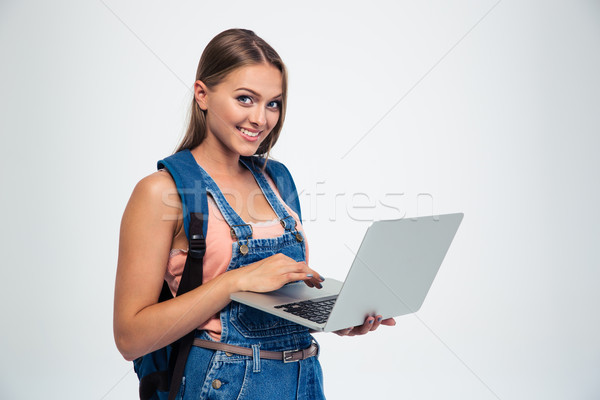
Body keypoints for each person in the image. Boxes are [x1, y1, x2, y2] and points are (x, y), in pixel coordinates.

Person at [114, 28, 395, 399]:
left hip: (304, 379)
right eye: (245, 99)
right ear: (203, 95)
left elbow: (275, 297)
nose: (260, 119)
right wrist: (234, 281)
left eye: (273, 103)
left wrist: (332, 317)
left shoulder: (277, 179)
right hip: (225, 383)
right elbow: (130, 338)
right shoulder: (161, 192)